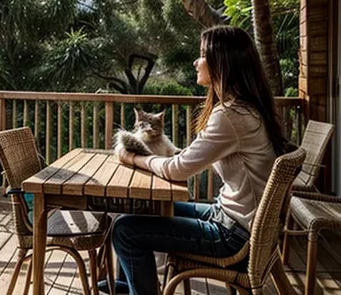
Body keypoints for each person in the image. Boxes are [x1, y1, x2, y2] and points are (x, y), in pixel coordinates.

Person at [98, 25, 288, 295]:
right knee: (141, 211)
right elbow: (193, 158)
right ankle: (129, 287)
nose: (196, 61)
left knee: (125, 230)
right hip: (230, 218)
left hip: (233, 235)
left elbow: (178, 170)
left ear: (221, 61)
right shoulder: (247, 109)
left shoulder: (232, 115)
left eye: (202, 54)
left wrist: (133, 158)